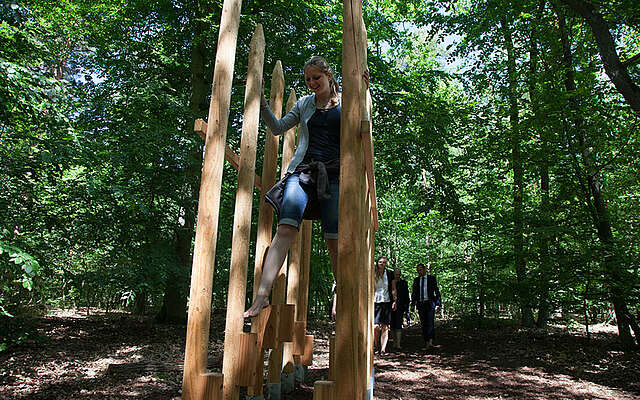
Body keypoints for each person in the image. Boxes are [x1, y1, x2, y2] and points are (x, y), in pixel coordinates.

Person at [244, 56, 368, 318]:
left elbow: (363, 125)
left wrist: (364, 93)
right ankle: (262, 296)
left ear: (329, 76)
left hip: (335, 176)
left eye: (316, 78)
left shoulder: (347, 102)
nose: (312, 83)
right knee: (285, 229)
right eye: (308, 79)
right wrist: (265, 106)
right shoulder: (304, 104)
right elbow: (278, 128)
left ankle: (343, 295)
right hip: (302, 172)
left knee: (333, 240)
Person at [411, 263, 441, 348]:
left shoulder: (431, 279)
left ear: (424, 270)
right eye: (418, 270)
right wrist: (413, 304)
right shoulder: (416, 280)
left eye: (420, 270)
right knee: (423, 323)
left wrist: (438, 304)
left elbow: (437, 291)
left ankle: (431, 341)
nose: (419, 272)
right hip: (420, 304)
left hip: (430, 303)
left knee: (430, 322)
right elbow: (414, 293)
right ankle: (426, 342)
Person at [373, 256, 396, 355]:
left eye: (384, 262)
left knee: (385, 326)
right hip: (375, 302)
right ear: (377, 263)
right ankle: (376, 345)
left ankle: (383, 349)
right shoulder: (372, 273)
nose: (382, 264)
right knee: (375, 327)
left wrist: (395, 300)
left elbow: (393, 288)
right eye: (380, 262)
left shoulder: (390, 274)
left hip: (386, 302)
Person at [390, 268, 410, 350]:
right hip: (390, 306)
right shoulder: (390, 282)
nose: (397, 276)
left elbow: (406, 295)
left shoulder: (404, 283)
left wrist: (407, 307)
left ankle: (398, 343)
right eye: (396, 274)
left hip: (400, 306)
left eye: (399, 274)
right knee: (392, 325)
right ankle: (394, 342)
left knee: (398, 324)